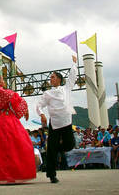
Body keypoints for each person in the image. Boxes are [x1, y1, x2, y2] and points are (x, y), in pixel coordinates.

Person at [0, 51, 36, 184]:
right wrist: (25, 111)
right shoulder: (4, 92)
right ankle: (9, 174)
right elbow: (17, 99)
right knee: (11, 146)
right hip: (5, 119)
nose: (4, 81)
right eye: (2, 79)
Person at [36, 55, 77, 183]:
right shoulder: (47, 93)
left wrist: (74, 64)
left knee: (70, 145)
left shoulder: (66, 89)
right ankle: (51, 174)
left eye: (53, 77)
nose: (51, 79)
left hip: (66, 122)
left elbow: (72, 77)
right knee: (52, 150)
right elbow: (39, 105)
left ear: (59, 79)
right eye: (50, 78)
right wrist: (41, 114)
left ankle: (54, 150)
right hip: (54, 124)